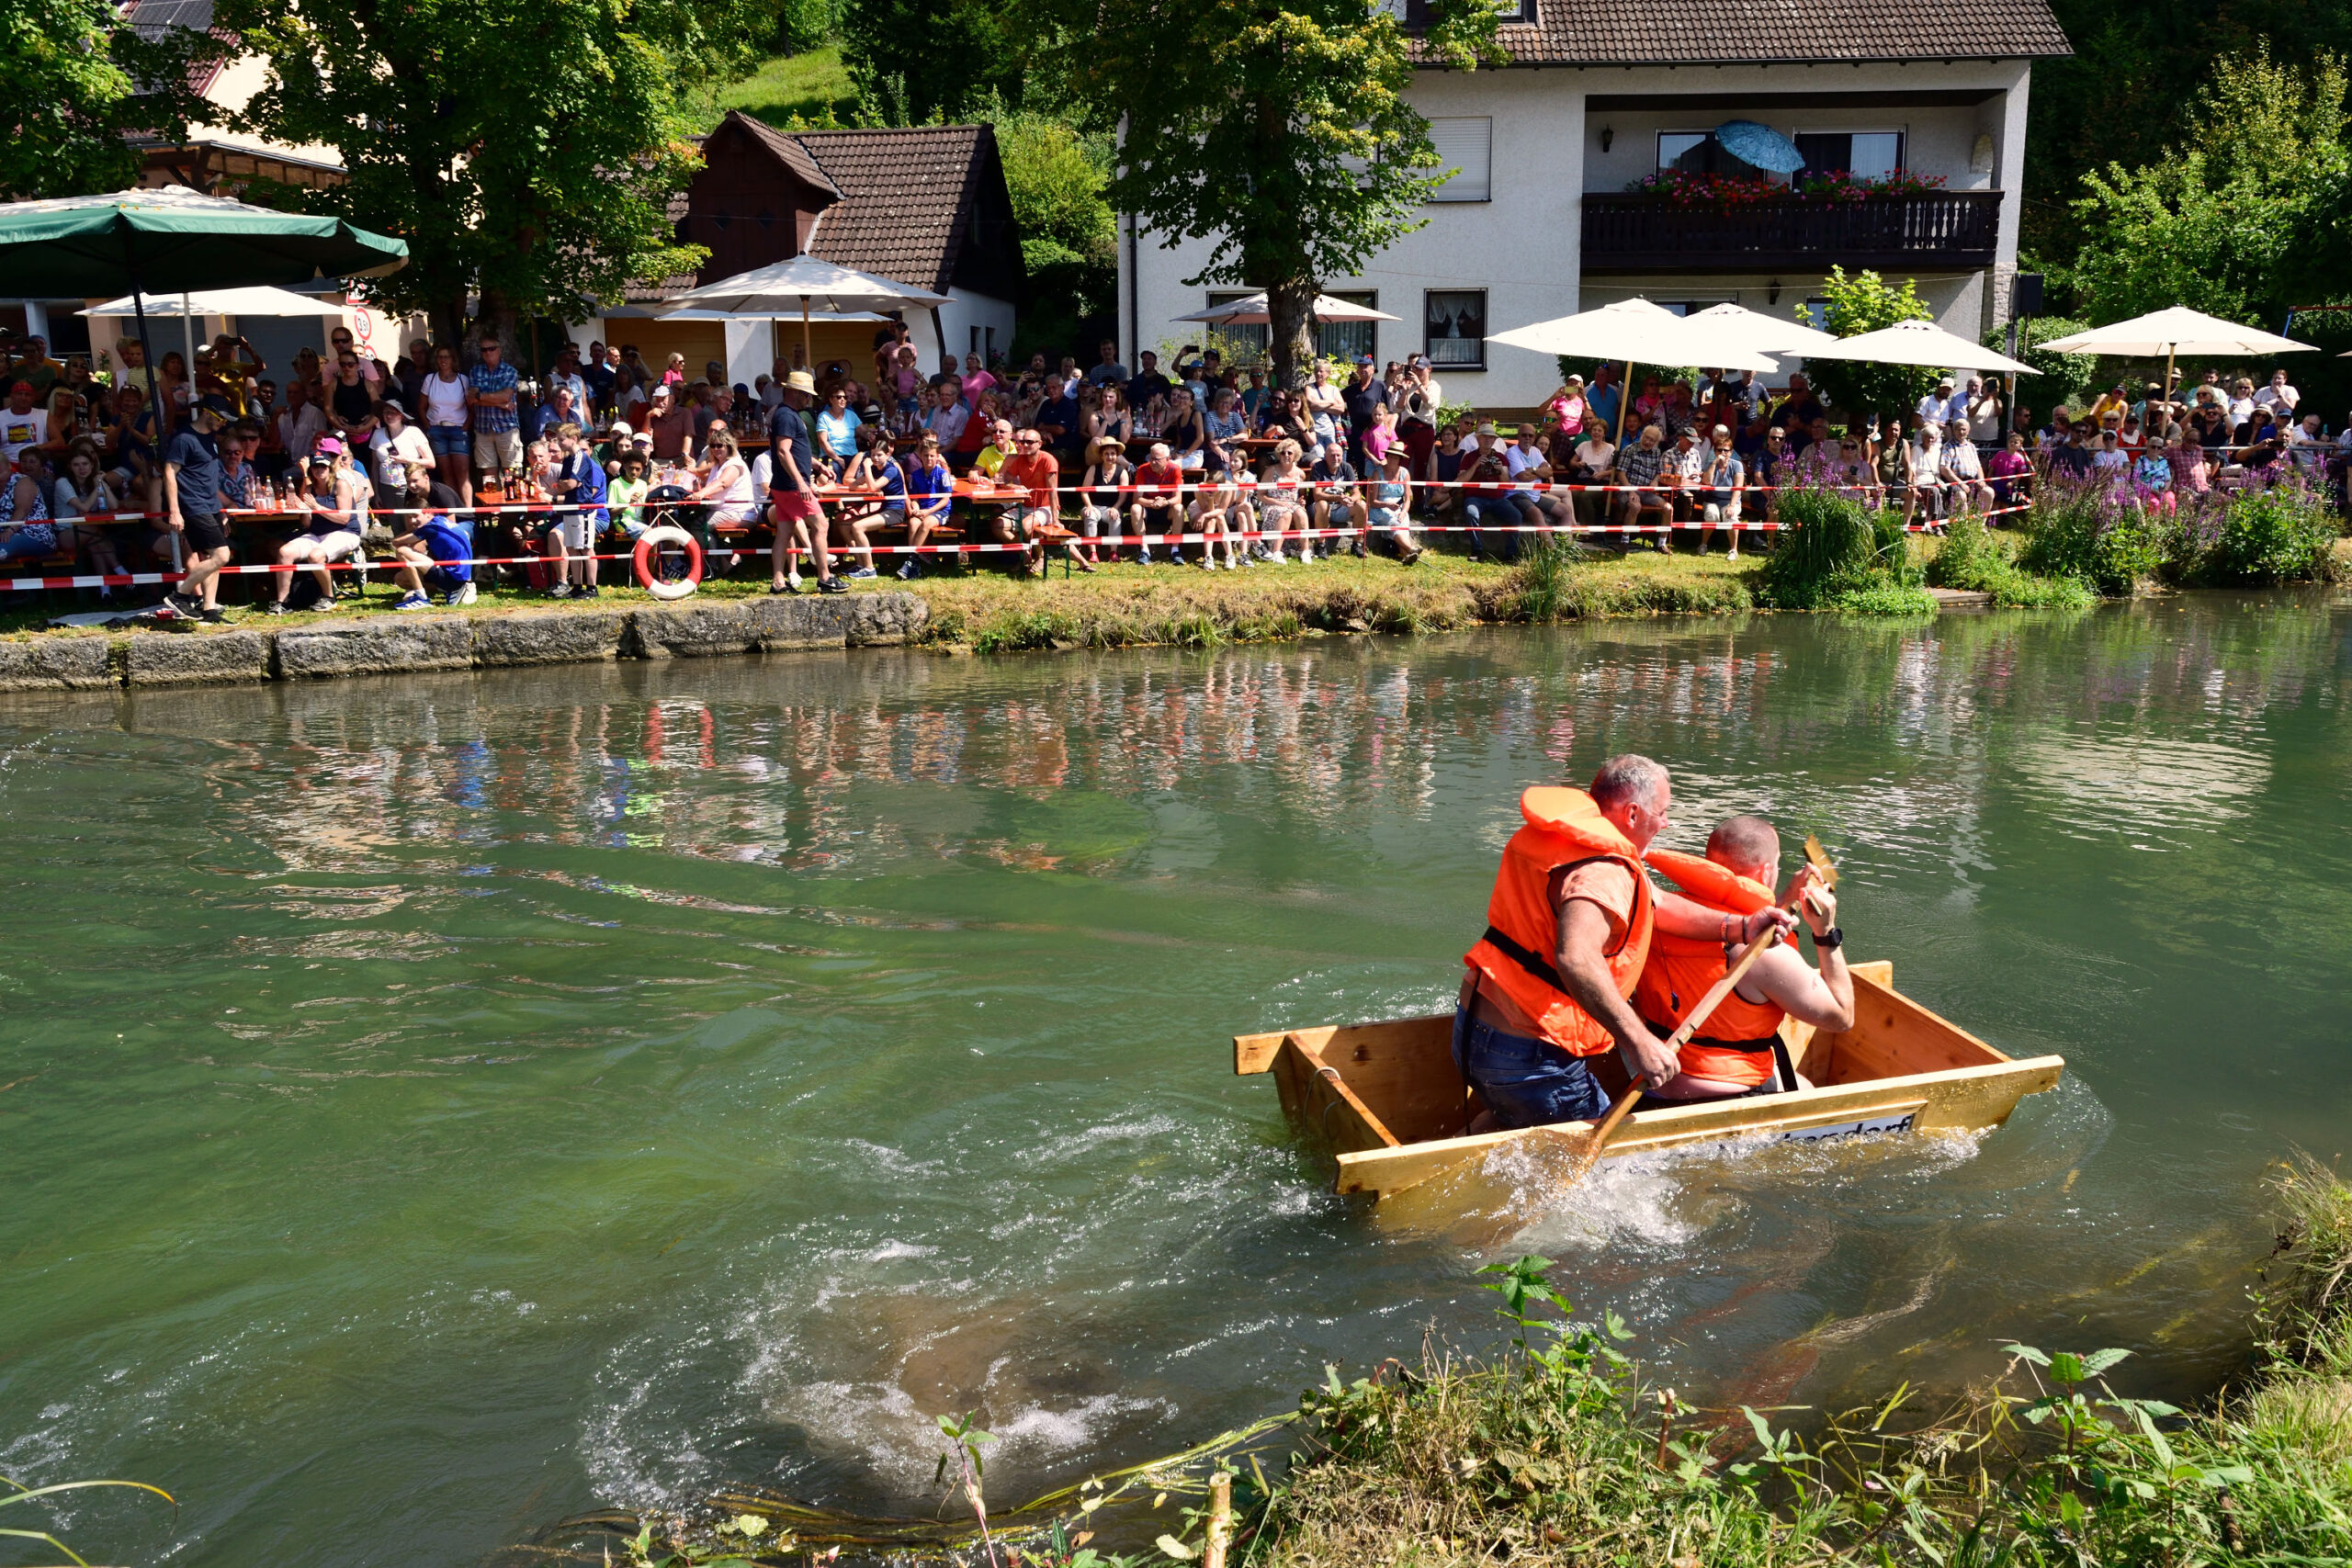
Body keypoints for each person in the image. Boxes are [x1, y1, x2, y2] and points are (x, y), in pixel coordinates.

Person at [1455, 756, 1796, 1129]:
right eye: (1662, 812)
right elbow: (1576, 959)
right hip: (1530, 1054)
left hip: (1475, 1029)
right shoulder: (1604, 871)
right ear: (1633, 813)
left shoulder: (1566, 841)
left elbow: (1657, 903)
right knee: (1609, 1153)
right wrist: (1639, 1041)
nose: (1666, 823)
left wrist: (1742, 926)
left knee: (1511, 1125)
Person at [1633, 816, 1850, 1106]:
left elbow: (1732, 915)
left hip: (1652, 1082)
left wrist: (1785, 900)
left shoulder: (1662, 917)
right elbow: (1841, 1018)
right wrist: (1826, 932)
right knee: (1809, 1090)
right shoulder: (1765, 955)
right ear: (1766, 871)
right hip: (1726, 1091)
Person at [160, 395, 235, 620]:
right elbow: (169, 472)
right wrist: (175, 511)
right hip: (194, 505)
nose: (223, 423)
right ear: (206, 413)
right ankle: (180, 595)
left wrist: (220, 509)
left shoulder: (211, 437)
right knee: (221, 555)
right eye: (220, 418)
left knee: (212, 558)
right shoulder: (184, 438)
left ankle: (209, 608)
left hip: (210, 504)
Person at [765, 369, 839, 594]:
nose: (808, 399)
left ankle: (778, 581)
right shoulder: (787, 416)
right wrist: (801, 481)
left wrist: (818, 465)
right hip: (792, 486)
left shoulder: (787, 414)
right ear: (794, 392)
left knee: (784, 532)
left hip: (782, 485)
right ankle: (824, 577)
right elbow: (783, 451)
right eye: (806, 394)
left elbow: (797, 451)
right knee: (821, 525)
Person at [265, 451, 366, 613]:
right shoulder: (309, 489)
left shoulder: (341, 485)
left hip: (345, 532)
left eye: (323, 466)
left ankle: (329, 597)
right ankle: (283, 601)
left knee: (315, 555)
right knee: (284, 552)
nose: (319, 470)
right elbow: (306, 524)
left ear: (329, 468)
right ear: (310, 470)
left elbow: (344, 518)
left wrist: (317, 507)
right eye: (315, 467)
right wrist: (305, 511)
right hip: (317, 533)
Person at [995, 426, 1061, 577]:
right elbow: (1004, 479)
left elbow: (1052, 491)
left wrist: (1055, 519)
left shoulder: (1048, 460)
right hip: (1025, 507)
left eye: (1030, 442)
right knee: (997, 525)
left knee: (1026, 526)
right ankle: (1024, 554)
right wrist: (1014, 486)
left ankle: (1041, 557)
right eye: (1022, 442)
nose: (1025, 445)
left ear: (1040, 444)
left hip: (1045, 507)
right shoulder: (1020, 460)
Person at [390, 505, 477, 608]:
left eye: (416, 516)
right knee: (401, 578)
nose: (412, 521)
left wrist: (410, 531)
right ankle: (451, 590)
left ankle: (421, 597)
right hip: (459, 575)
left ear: (427, 513)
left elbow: (397, 542)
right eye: (409, 517)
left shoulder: (430, 528)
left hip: (453, 578)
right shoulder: (441, 520)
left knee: (402, 551)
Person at [467, 335, 521, 481]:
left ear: (499, 350)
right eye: (484, 350)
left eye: (491, 348)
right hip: (483, 428)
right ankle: (493, 498)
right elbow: (471, 399)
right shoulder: (475, 371)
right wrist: (500, 404)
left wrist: (480, 396)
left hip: (506, 428)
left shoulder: (510, 371)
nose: (488, 352)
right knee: (489, 476)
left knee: (512, 473)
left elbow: (505, 396)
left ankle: (512, 498)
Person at [1307, 438, 1363, 557]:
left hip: (1340, 507)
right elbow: (1317, 495)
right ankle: (1321, 546)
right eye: (1332, 455)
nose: (1335, 458)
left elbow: (1357, 493)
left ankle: (1357, 545)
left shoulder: (1347, 467)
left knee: (1362, 505)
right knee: (1323, 504)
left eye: (1338, 455)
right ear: (1325, 456)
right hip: (1318, 508)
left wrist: (1350, 499)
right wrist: (1338, 498)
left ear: (1342, 456)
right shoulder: (1318, 467)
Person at [1695, 425, 1746, 558]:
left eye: (1726, 450)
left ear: (1731, 452)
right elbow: (1707, 482)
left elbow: (1738, 488)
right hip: (1712, 500)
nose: (1723, 452)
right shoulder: (1710, 464)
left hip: (1730, 501)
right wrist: (1714, 464)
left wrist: (1732, 506)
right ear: (1715, 451)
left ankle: (1733, 550)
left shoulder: (1737, 465)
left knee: (1731, 517)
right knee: (1712, 515)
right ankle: (1703, 545)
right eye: (1719, 450)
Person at [1131, 442, 1184, 563]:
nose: (1153, 462)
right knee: (1135, 508)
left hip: (1167, 509)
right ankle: (1144, 550)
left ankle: (1175, 550)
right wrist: (1151, 502)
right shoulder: (1142, 469)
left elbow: (1178, 498)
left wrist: (1165, 502)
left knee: (1179, 508)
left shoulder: (1175, 469)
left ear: (1167, 459)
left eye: (1157, 459)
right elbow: (1136, 498)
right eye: (1151, 458)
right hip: (1148, 509)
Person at [1366, 446, 1420, 562]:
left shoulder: (1405, 473)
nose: (1392, 460)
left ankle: (1407, 556)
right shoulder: (1377, 472)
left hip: (1399, 509)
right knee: (1394, 521)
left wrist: (1404, 512)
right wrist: (1387, 505)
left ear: (1399, 459)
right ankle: (1411, 549)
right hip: (1380, 509)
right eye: (1390, 457)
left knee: (1402, 523)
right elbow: (1372, 501)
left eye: (1396, 458)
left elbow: (1407, 499)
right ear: (1387, 457)